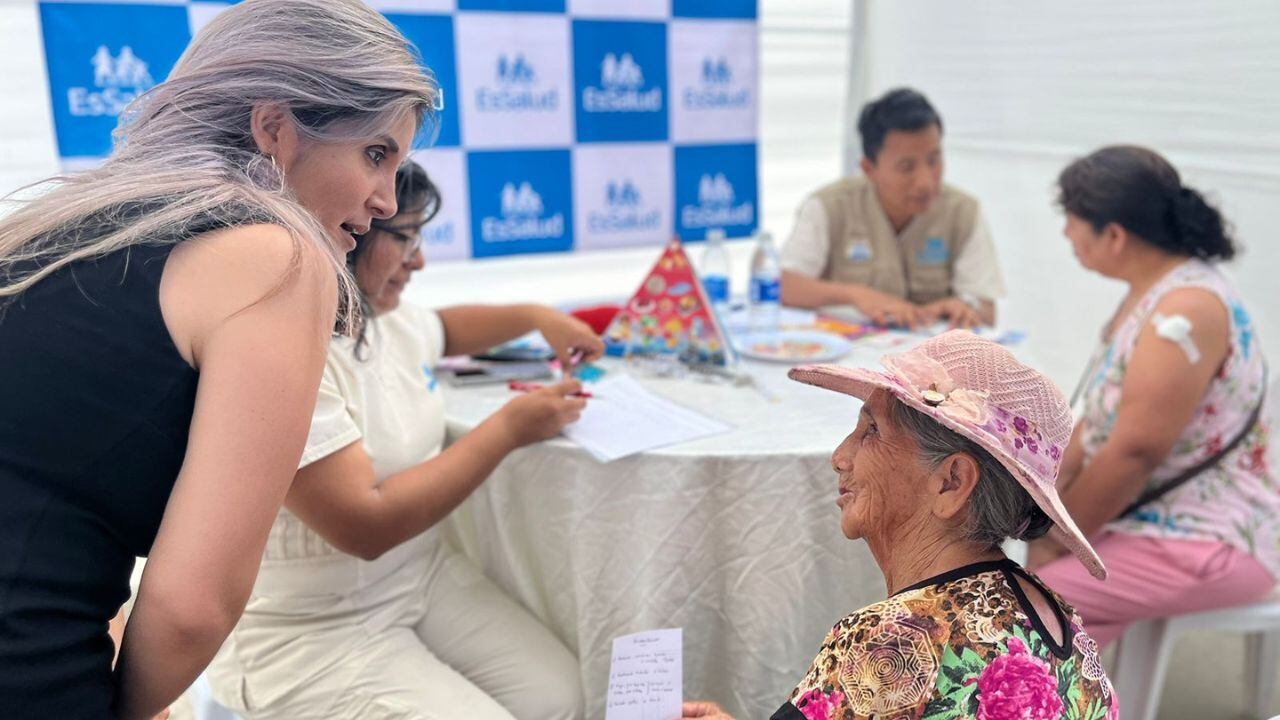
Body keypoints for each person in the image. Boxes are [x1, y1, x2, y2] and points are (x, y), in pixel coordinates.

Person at [0, 0, 436, 716]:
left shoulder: (60, 227)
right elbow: (196, 604)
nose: (388, 201)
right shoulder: (277, 257)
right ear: (274, 129)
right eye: (376, 155)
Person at [206, 160, 602, 720]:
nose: (419, 261)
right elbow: (364, 526)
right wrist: (508, 429)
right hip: (308, 626)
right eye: (405, 238)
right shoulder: (280, 348)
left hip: (417, 577)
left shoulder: (382, 315)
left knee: (560, 696)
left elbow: (444, 327)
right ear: (347, 228)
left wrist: (537, 317)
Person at [685, 331, 1118, 720]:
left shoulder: (896, 641)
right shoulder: (1060, 623)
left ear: (951, 482)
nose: (840, 456)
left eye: (871, 431)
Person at [1028, 145, 1275, 645]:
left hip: (1210, 536)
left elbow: (1134, 453)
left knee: (1026, 605)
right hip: (1159, 523)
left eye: (1072, 222)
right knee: (1025, 590)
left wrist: (1059, 540)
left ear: (1114, 235)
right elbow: (1096, 429)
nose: (1065, 235)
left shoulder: (1183, 312)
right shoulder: (1157, 293)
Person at [779, 88, 1005, 329]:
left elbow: (987, 312)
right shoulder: (828, 207)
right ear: (869, 169)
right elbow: (783, 285)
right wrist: (856, 295)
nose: (925, 182)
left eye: (934, 161)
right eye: (907, 167)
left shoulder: (963, 212)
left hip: (931, 360)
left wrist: (962, 308)